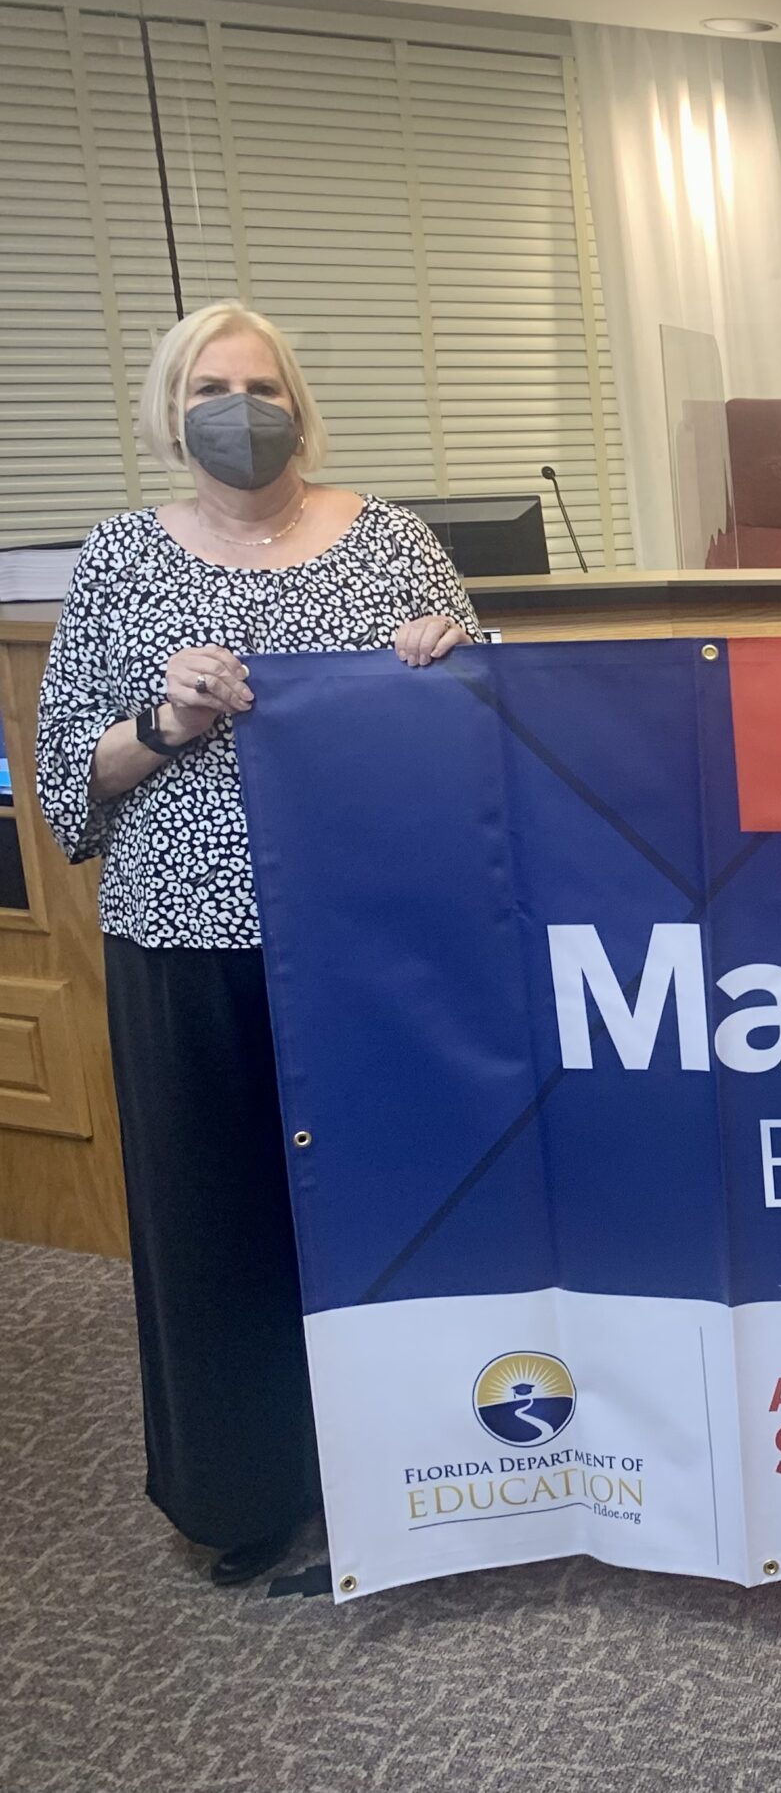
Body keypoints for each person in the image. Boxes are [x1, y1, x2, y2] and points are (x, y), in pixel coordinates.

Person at [34, 300, 479, 1586]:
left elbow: (489, 720)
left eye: (261, 382)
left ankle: (419, 1462)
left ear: (301, 401)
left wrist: (446, 661)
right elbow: (70, 780)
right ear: (171, 413)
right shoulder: (120, 558)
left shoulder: (389, 539)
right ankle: (244, 1491)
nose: (241, 407)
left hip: (364, 934)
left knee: (389, 1203)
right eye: (210, 386)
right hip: (185, 941)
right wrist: (165, 717)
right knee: (216, 1221)